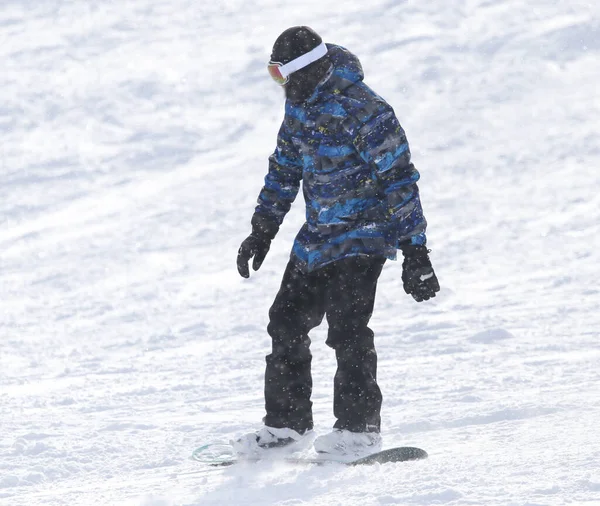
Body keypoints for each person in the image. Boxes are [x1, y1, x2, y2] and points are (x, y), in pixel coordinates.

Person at [234, 26, 440, 459]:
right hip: (317, 238)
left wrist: (415, 251)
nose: (280, 84)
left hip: (364, 234)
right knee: (285, 322)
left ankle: (358, 431)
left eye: (281, 74)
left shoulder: (365, 110)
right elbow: (283, 171)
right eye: (274, 75)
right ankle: (288, 427)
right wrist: (262, 229)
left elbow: (399, 179)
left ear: (305, 69)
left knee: (347, 328)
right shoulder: (300, 109)